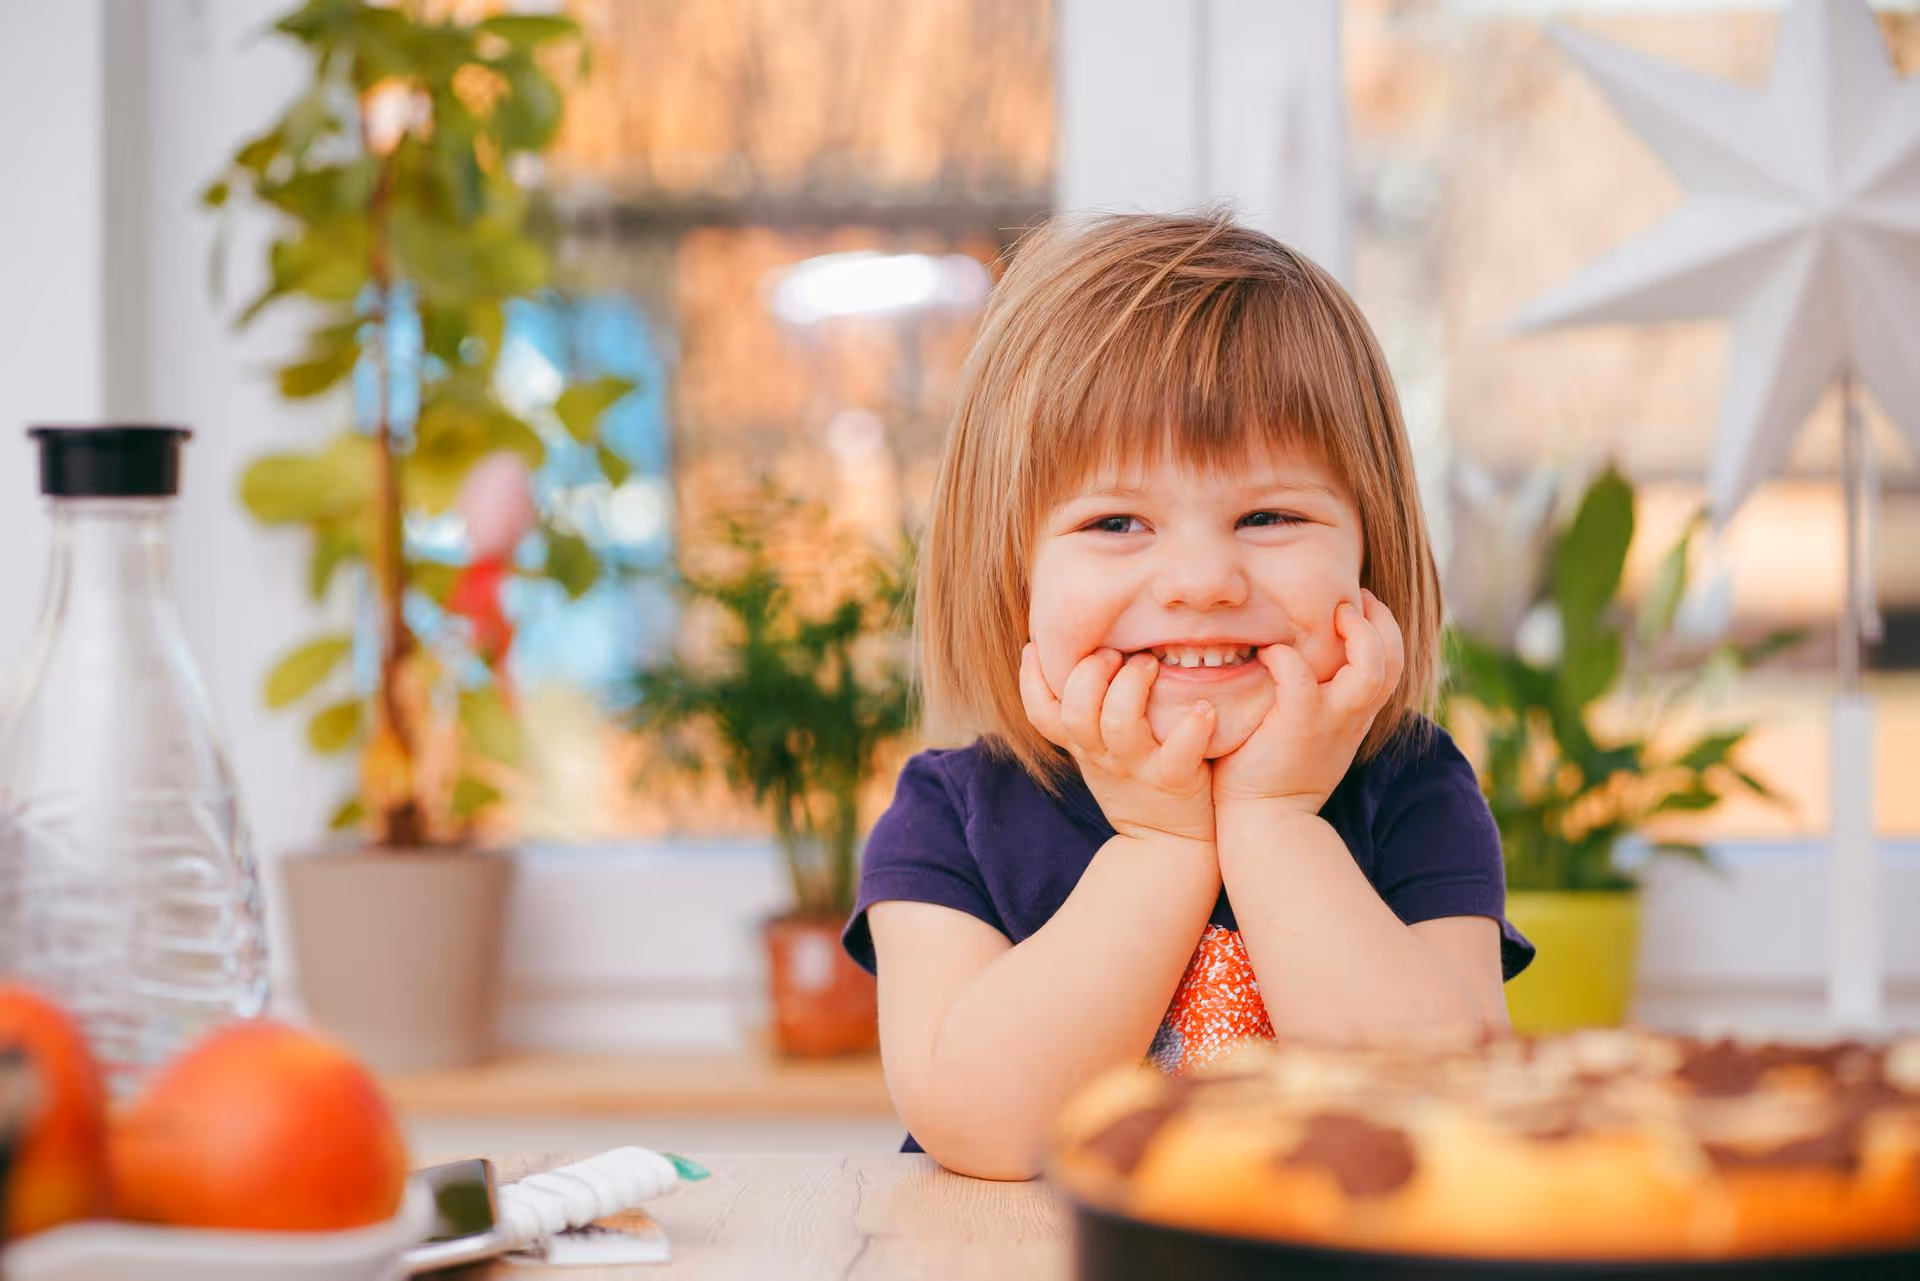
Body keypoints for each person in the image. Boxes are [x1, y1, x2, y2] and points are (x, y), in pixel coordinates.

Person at [840, 210, 1535, 1181]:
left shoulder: (1412, 789)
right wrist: (1162, 844)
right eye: (1118, 521)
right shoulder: (952, 815)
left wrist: (1276, 823)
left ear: (1370, 552)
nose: (1201, 579)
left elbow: (1445, 1117)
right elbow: (982, 1128)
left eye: (1270, 514)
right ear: (1013, 575)